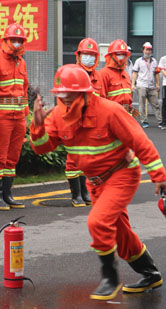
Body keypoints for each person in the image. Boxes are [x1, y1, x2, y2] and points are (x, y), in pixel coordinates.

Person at [30, 64, 166, 301]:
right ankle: (150, 273)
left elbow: (140, 141)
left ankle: (110, 277)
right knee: (119, 233)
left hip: (121, 175)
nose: (65, 101)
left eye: (70, 96)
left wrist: (159, 176)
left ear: (85, 94)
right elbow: (42, 147)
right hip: (95, 182)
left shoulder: (109, 111)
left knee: (99, 222)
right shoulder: (57, 117)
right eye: (62, 96)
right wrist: (37, 125)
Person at [0, 23, 30, 210]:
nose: (17, 44)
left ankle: (7, 194)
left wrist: (26, 118)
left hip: (18, 118)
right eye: (14, 40)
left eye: (20, 40)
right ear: (5, 40)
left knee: (12, 157)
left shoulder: (21, 62)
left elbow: (24, 90)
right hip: (2, 119)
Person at [64, 37, 103, 207]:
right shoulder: (71, 73)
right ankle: (76, 195)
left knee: (88, 159)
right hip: (75, 123)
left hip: (93, 124)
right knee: (74, 159)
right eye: (86, 54)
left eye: (92, 55)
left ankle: (85, 192)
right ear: (78, 55)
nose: (89, 58)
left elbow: (103, 101)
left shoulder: (97, 77)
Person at [99, 39, 135, 116]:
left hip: (126, 117)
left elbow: (128, 100)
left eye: (124, 55)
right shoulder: (103, 74)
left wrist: (134, 115)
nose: (122, 57)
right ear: (111, 56)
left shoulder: (126, 75)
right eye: (119, 54)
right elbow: (100, 101)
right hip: (112, 118)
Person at [132, 42, 162, 128]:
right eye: (146, 49)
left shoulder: (154, 61)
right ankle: (144, 121)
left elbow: (156, 73)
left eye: (149, 50)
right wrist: (133, 84)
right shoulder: (138, 61)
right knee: (142, 104)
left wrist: (158, 84)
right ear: (143, 50)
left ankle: (160, 121)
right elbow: (135, 73)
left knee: (155, 104)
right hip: (141, 85)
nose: (148, 51)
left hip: (151, 86)